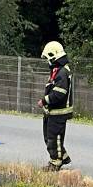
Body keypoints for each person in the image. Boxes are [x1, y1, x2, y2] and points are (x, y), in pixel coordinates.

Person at [38, 41, 74, 171]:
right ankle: (63, 157)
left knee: (54, 138)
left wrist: (44, 100)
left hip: (58, 113)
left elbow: (59, 93)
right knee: (49, 138)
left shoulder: (62, 72)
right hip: (52, 112)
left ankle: (55, 163)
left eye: (48, 58)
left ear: (54, 57)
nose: (48, 62)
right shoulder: (57, 71)